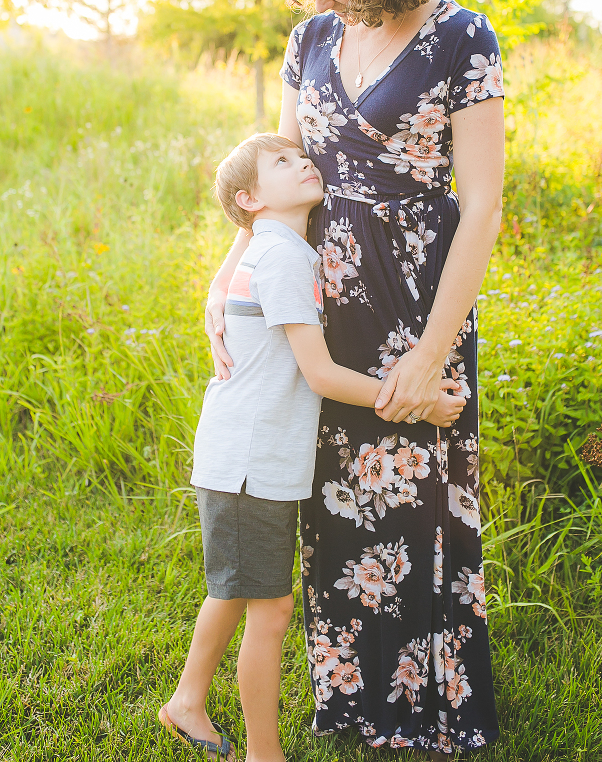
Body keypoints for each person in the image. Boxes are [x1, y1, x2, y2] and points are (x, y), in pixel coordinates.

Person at [205, 0, 505, 757]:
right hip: (324, 308)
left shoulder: (461, 38)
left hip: (418, 300)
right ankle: (351, 696)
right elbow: (279, 168)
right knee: (335, 505)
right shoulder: (312, 39)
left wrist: (431, 352)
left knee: (418, 497)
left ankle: (426, 701)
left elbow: (481, 206)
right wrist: (227, 275)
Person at [160, 132, 465, 762]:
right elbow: (321, 375)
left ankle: (188, 699)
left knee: (236, 587)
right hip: (250, 463)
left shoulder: (280, 249)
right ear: (249, 199)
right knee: (268, 611)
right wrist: (421, 400)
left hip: (244, 457)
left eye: (302, 157)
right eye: (282, 163)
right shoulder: (283, 259)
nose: (303, 163)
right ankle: (262, 753)